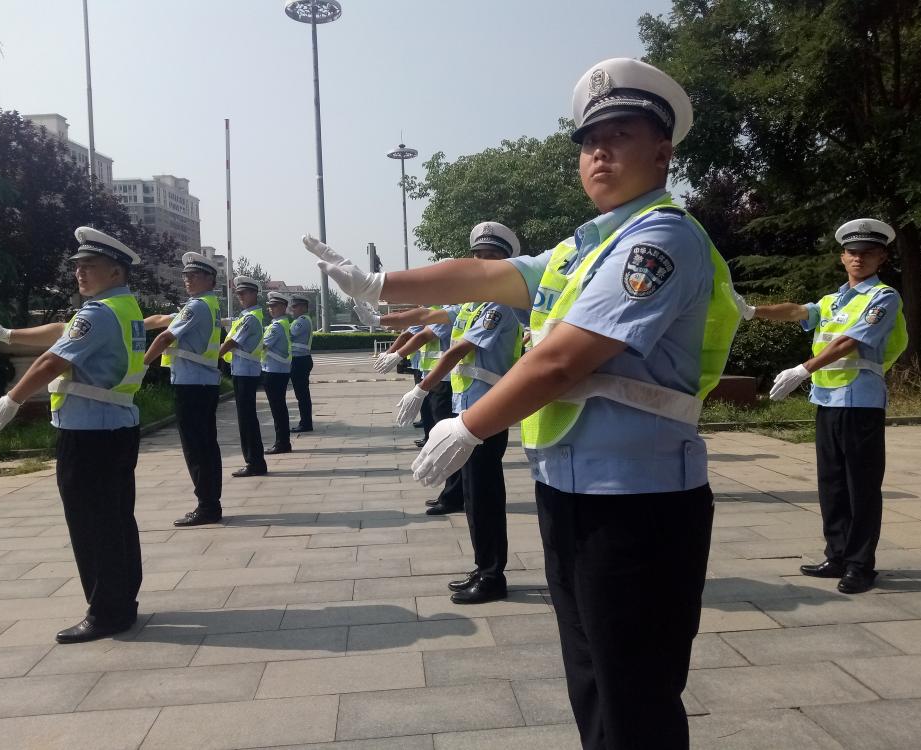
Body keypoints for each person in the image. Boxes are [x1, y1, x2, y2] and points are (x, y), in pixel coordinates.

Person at [302, 57, 740, 750]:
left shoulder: (659, 239)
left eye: (620, 135)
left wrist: (469, 425)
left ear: (662, 153)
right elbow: (483, 274)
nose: (600, 152)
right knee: (593, 681)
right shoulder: (585, 247)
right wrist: (378, 283)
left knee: (635, 696)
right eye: (589, 141)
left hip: (640, 501)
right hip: (569, 490)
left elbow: (565, 357)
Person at [0, 227, 146, 643]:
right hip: (117, 427)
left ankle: (106, 613)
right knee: (116, 519)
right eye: (77, 267)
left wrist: (13, 398)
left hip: (89, 434)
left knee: (91, 524)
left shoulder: (98, 313)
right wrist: (7, 335)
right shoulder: (123, 307)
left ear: (116, 271)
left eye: (90, 266)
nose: (80, 273)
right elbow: (59, 330)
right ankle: (122, 600)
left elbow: (52, 360)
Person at [733, 218, 907, 594]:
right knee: (831, 484)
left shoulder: (883, 297)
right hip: (827, 400)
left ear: (881, 257)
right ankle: (837, 555)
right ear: (842, 257)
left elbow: (850, 341)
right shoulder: (833, 300)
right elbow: (797, 312)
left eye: (867, 253)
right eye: (852, 252)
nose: (858, 258)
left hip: (860, 401)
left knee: (861, 486)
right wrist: (752, 311)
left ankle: (860, 565)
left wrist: (803, 368)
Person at [393, 222, 525, 604]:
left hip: (488, 411)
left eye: (491, 257)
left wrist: (422, 387)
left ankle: (492, 575)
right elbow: (432, 320)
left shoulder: (499, 304)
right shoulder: (471, 303)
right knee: (471, 492)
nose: (482, 262)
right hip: (465, 410)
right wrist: (393, 324)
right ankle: (483, 566)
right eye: (478, 256)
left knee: (484, 494)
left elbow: (458, 350)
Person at [143, 252, 223, 527]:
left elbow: (165, 337)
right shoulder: (207, 304)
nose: (187, 279)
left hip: (192, 385)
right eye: (186, 275)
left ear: (210, 279)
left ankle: (207, 507)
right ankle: (210, 503)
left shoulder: (197, 306)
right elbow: (162, 319)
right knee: (206, 446)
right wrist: (132, 324)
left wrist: (141, 366)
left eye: (194, 275)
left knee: (196, 449)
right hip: (203, 383)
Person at [374, 301, 465, 514]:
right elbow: (411, 322)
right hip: (437, 378)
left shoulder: (450, 311)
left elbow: (422, 335)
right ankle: (452, 494)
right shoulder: (440, 310)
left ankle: (453, 496)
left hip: (445, 381)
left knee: (449, 442)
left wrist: (396, 354)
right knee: (442, 437)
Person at [218, 276, 267, 477]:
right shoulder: (246, 316)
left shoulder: (250, 318)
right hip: (242, 371)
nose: (239, 296)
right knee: (245, 418)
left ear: (254, 294)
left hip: (246, 373)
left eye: (243, 293)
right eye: (238, 293)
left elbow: (231, 342)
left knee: (247, 419)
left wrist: (211, 358)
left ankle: (255, 462)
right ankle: (254, 461)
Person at [261, 291, 294, 455]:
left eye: (274, 306)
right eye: (269, 306)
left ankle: (282, 443)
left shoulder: (277, 326)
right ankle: (283, 442)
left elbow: (262, 346)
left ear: (283, 307)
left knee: (277, 409)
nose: (271, 309)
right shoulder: (282, 323)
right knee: (279, 408)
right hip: (278, 370)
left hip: (274, 371)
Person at [288, 295, 315, 433]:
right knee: (302, 394)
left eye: (294, 306)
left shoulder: (302, 321)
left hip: (300, 360)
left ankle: (305, 423)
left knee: (302, 395)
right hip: (300, 359)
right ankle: (305, 422)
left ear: (303, 307)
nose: (292, 309)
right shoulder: (299, 320)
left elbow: (288, 335)